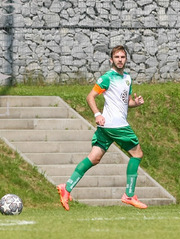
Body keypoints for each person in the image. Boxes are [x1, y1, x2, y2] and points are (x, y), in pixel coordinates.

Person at [57, 45, 148, 211]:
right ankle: (129, 195)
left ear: (126, 59)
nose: (120, 60)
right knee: (137, 154)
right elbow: (90, 97)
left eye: (122, 57)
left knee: (94, 158)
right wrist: (97, 114)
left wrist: (136, 103)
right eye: (117, 57)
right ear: (111, 60)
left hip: (107, 128)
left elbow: (126, 102)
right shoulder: (107, 78)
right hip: (117, 126)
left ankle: (66, 187)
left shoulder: (127, 78)